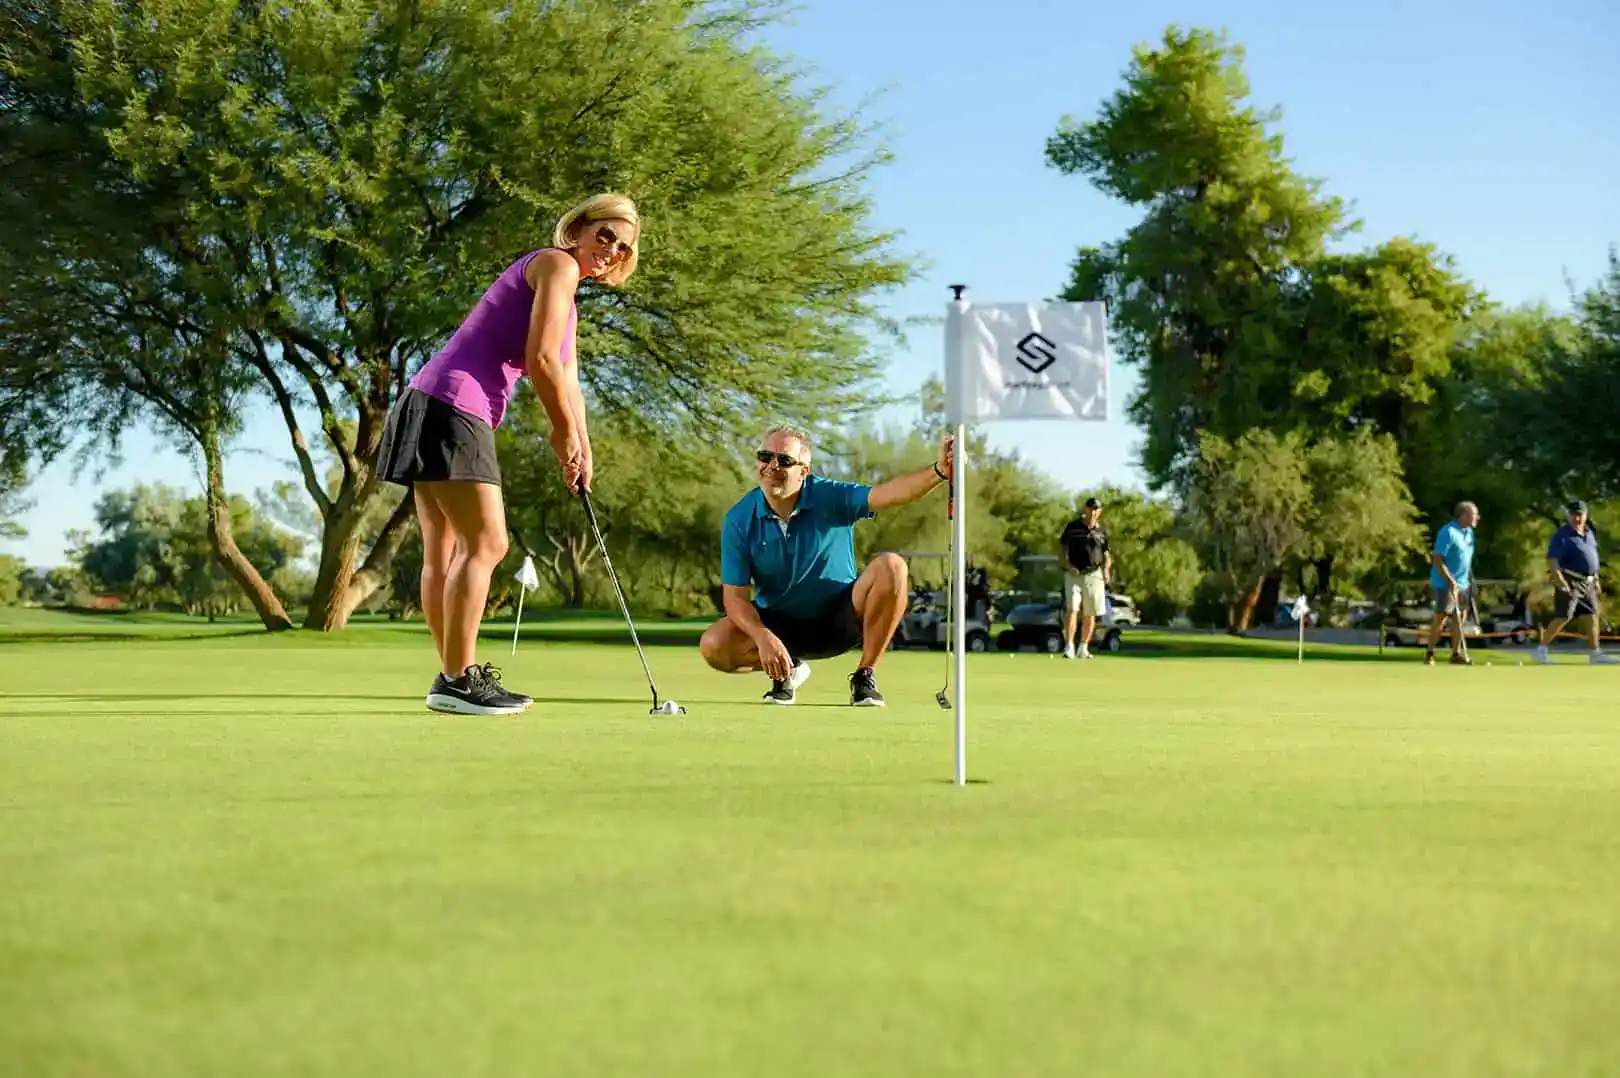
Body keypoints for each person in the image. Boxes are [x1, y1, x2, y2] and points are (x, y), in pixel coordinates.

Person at [376, 193, 642, 715]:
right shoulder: (557, 264)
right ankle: (457, 679)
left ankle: (454, 675)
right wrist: (560, 431)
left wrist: (580, 445)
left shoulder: (564, 295)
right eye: (604, 235)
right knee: (489, 543)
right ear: (580, 230)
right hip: (455, 402)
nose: (609, 250)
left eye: (622, 246)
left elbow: (568, 377)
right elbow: (540, 359)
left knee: (445, 553)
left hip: (429, 400)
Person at [699, 426, 956, 706]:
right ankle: (788, 669)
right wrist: (763, 638)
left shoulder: (830, 495)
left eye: (784, 460)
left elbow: (888, 494)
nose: (772, 466)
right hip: (778, 627)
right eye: (765, 456)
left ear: (803, 471)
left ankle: (864, 675)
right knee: (714, 645)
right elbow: (735, 599)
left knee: (892, 566)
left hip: (841, 620)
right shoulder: (738, 518)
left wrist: (940, 471)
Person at [1530, 500, 1619, 665]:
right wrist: (1560, 580)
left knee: (1592, 615)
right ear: (1569, 516)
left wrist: (1596, 579)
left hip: (1588, 582)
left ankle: (1595, 653)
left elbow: (1593, 558)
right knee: (1564, 616)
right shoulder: (1562, 536)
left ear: (1586, 516)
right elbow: (1553, 560)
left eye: (1580, 515)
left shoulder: (1589, 533)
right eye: (1574, 515)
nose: (1577, 518)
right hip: (1570, 580)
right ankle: (1540, 650)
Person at [1425, 501, 1479, 666]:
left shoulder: (1469, 532)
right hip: (1444, 583)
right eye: (1474, 514)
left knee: (1460, 618)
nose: (1477, 517)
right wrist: (1451, 581)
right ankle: (1430, 653)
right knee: (1441, 617)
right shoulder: (1447, 532)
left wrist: (1467, 582)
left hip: (1463, 583)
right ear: (1464, 516)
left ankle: (1455, 654)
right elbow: (1437, 559)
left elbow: (1465, 559)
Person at [1058, 496, 1111, 659]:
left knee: (1090, 612)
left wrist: (1106, 570)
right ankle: (1069, 646)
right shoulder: (1073, 527)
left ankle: (1083, 647)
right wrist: (1068, 565)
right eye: (1090, 508)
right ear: (1085, 509)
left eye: (1096, 509)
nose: (1093, 512)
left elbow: (1106, 555)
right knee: (1072, 609)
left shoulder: (1102, 532)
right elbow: (1061, 548)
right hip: (1074, 573)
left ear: (1099, 512)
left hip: (1094, 575)